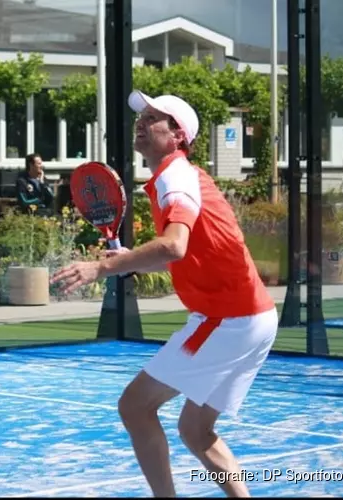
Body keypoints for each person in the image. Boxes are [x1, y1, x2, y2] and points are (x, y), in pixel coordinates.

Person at [51, 91, 277, 497]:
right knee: (195, 429)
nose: (142, 121)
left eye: (155, 117)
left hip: (227, 320)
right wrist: (129, 259)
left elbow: (173, 246)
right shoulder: (175, 179)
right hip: (253, 317)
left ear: (177, 136)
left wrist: (100, 266)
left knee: (135, 407)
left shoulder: (177, 175)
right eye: (143, 115)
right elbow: (178, 255)